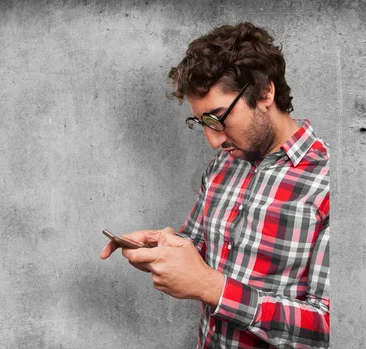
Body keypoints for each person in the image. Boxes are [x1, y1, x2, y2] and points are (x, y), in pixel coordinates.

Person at [100, 22, 330, 349]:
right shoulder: (224, 163)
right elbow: (201, 248)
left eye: (219, 118)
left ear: (264, 91)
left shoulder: (330, 182)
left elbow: (329, 325)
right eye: (202, 122)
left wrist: (213, 289)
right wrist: (158, 248)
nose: (213, 140)